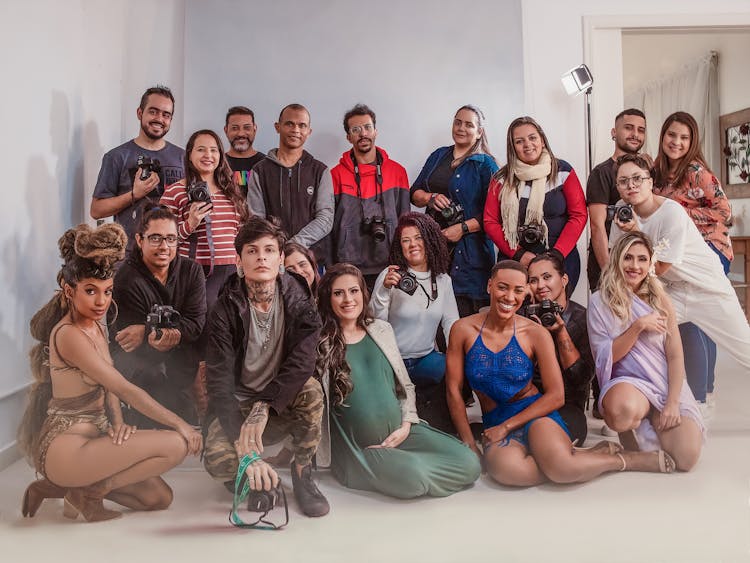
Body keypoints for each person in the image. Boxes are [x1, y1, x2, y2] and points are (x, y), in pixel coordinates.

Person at [18, 224, 202, 522]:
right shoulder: (69, 334)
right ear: (69, 290)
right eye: (90, 291)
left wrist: (117, 423)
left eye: (107, 291)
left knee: (159, 498)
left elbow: (109, 387)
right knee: (177, 443)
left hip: (97, 435)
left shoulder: (95, 324)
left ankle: (75, 489)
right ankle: (80, 488)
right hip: (68, 448)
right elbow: (123, 387)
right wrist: (181, 423)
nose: (101, 301)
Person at [446, 260, 676, 487]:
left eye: (518, 290)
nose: (509, 297)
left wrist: (506, 427)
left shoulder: (535, 333)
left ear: (526, 292)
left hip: (534, 414)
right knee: (509, 473)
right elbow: (453, 390)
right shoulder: (462, 329)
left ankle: (624, 460)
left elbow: (556, 396)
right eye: (502, 287)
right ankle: (574, 456)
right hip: (495, 419)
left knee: (561, 470)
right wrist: (469, 442)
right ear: (489, 286)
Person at [315, 263, 480, 498]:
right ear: (327, 299)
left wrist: (406, 424)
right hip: (360, 449)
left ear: (363, 293)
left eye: (353, 291)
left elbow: (405, 385)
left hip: (401, 433)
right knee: (413, 481)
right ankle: (395, 468)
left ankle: (404, 467)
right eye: (338, 293)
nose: (347, 299)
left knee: (469, 463)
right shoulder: (321, 343)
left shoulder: (381, 329)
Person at [202, 217, 329, 517]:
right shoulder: (224, 309)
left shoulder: (298, 297)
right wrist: (244, 451)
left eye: (270, 250)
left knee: (311, 390)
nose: (261, 257)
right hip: (238, 406)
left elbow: (303, 361)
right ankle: (257, 479)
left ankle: (301, 473)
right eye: (252, 250)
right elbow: (218, 382)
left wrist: (265, 406)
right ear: (239, 260)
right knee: (217, 460)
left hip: (278, 403)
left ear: (281, 259)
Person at [610, 154, 750, 375]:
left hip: (707, 289)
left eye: (637, 178)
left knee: (746, 349)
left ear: (651, 182)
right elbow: (618, 261)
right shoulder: (622, 210)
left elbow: (657, 268)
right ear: (617, 187)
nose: (631, 185)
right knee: (634, 332)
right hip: (669, 292)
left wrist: (635, 231)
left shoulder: (671, 212)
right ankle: (651, 397)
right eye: (623, 181)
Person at [588, 232, 704, 469]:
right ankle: (631, 453)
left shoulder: (662, 300)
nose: (634, 266)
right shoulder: (600, 301)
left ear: (650, 263)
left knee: (686, 457)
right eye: (628, 258)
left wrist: (671, 403)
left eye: (642, 259)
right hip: (630, 383)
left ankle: (648, 424)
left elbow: (675, 355)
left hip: (662, 383)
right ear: (617, 259)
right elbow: (605, 357)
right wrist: (638, 326)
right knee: (621, 411)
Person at [653, 111, 733, 408]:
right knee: (695, 318)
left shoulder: (697, 172)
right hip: (679, 253)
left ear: (692, 142)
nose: (676, 142)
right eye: (672, 135)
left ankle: (698, 397)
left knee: (693, 317)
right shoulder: (656, 174)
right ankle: (705, 388)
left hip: (710, 250)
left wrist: (681, 216)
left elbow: (725, 213)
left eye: (684, 138)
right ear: (663, 136)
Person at [110, 205, 207, 428]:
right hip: (139, 361)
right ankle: (137, 415)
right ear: (139, 240)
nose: (164, 246)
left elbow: (196, 324)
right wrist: (165, 333)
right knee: (155, 390)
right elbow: (129, 341)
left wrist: (147, 330)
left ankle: (182, 407)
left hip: (179, 355)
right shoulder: (125, 279)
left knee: (185, 416)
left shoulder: (191, 271)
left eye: (171, 238)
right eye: (155, 238)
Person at [369, 212, 459, 431]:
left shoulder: (443, 280)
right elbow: (373, 323)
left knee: (452, 369)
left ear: (430, 240)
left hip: (424, 359)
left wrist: (457, 358)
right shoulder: (391, 274)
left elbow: (451, 324)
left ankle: (445, 427)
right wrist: (383, 291)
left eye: (418, 238)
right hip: (391, 361)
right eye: (405, 240)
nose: (413, 245)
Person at [410, 105, 499, 316]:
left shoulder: (486, 165)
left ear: (479, 132)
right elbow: (414, 192)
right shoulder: (438, 155)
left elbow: (497, 213)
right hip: (433, 248)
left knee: (466, 318)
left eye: (469, 124)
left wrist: (463, 228)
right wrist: (429, 198)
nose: (461, 128)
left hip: (470, 255)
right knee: (432, 315)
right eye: (458, 122)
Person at [484, 116, 587, 296]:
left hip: (560, 259)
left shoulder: (562, 170)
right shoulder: (501, 178)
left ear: (542, 139)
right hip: (516, 261)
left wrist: (556, 255)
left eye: (532, 138)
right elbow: (490, 221)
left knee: (556, 315)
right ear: (512, 146)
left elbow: (579, 215)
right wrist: (518, 255)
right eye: (519, 141)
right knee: (518, 319)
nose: (527, 145)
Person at [160, 129, 250, 312]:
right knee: (201, 321)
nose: (208, 155)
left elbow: (242, 234)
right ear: (190, 155)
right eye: (201, 149)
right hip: (193, 269)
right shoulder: (175, 192)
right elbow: (161, 240)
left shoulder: (231, 191)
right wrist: (189, 224)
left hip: (232, 270)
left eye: (214, 150)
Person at [91, 86, 185, 249]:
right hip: (130, 255)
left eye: (166, 115)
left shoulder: (183, 157)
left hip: (172, 253)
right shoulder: (117, 157)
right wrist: (134, 195)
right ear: (140, 113)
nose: (159, 119)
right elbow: (97, 210)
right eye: (153, 111)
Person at [330, 104, 411, 291]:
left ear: (375, 131)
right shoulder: (335, 175)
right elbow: (329, 226)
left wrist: (406, 262)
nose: (363, 134)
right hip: (348, 265)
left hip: (390, 264)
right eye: (355, 129)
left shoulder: (397, 172)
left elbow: (405, 220)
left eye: (367, 127)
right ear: (348, 137)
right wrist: (331, 266)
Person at [246, 103, 333, 266]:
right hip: (272, 260)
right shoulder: (260, 170)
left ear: (309, 131)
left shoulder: (320, 171)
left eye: (302, 125)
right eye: (289, 124)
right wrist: (277, 248)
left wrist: (294, 245)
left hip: (312, 261)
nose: (296, 130)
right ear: (277, 127)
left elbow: (326, 218)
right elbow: (256, 219)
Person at [527, 252, 594, 445]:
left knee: (551, 439)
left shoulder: (584, 318)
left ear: (563, 279)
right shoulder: (523, 317)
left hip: (567, 406)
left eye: (547, 277)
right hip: (528, 402)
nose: (540, 286)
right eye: (533, 280)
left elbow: (580, 378)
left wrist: (561, 332)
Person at [587, 109, 647, 291]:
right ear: (614, 133)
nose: (635, 134)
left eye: (641, 130)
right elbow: (597, 226)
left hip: (640, 265)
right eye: (628, 128)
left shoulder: (649, 172)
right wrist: (609, 273)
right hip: (610, 262)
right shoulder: (601, 173)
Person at [223, 106, 265, 197]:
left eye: (247, 128)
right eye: (235, 128)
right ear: (226, 130)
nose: (241, 133)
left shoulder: (266, 164)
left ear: (254, 129)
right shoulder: (217, 163)